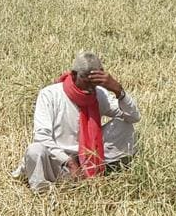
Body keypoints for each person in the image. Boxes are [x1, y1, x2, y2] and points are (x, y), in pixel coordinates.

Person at [14, 51, 141, 192]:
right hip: (57, 162)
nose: (90, 89)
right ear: (74, 75)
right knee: (35, 150)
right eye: (87, 82)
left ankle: (96, 172)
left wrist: (119, 92)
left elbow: (133, 117)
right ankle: (42, 191)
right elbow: (41, 137)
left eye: (95, 84)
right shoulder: (50, 94)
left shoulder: (99, 94)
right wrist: (69, 162)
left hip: (86, 160)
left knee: (124, 126)